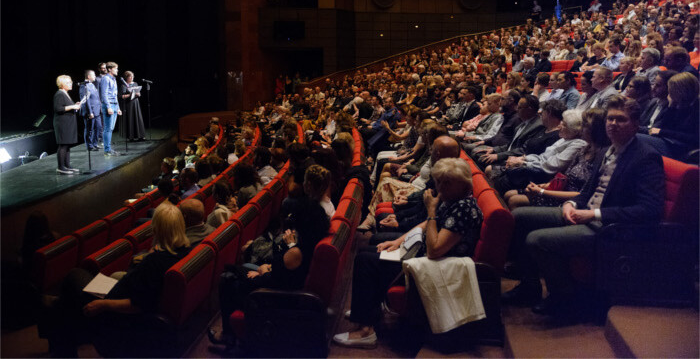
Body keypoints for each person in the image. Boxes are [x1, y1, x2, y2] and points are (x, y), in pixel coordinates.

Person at [501, 95, 665, 317]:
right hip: (584, 213)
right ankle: (529, 287)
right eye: (610, 119)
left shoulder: (646, 157)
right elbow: (587, 192)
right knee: (520, 216)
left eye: (621, 120)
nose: (613, 124)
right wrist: (570, 204)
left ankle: (564, 298)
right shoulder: (606, 150)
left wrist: (594, 214)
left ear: (636, 125)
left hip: (609, 228)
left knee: (536, 239)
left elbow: (649, 209)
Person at [333, 157, 483, 348]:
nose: (437, 187)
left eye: (441, 183)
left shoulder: (464, 208)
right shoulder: (453, 198)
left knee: (366, 262)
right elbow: (427, 224)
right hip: (423, 253)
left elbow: (435, 249)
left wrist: (430, 210)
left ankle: (365, 332)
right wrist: (397, 241)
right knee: (368, 251)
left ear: (456, 184)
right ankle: (367, 310)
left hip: (437, 265)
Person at [41, 203, 191, 357]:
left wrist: (102, 304)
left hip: (116, 312)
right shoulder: (185, 250)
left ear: (156, 229)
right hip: (119, 293)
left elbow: (138, 305)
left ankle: (64, 346)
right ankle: (64, 331)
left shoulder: (154, 262)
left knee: (73, 277)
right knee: (67, 299)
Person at [210, 176, 330, 353]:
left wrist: (264, 272)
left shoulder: (296, 251)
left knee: (227, 280)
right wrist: (270, 266)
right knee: (234, 272)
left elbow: (283, 279)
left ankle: (230, 335)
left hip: (275, 297)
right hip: (278, 283)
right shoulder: (310, 240)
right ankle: (230, 334)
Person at [503, 108, 609, 210]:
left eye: (585, 126)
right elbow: (564, 178)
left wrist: (541, 191)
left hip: (569, 200)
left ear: (594, 131)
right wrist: (543, 186)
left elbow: (582, 194)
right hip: (558, 189)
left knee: (514, 200)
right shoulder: (584, 150)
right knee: (509, 194)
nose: (581, 129)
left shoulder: (598, 155)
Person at [642, 72, 700, 159]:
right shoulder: (678, 104)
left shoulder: (696, 107)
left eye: (671, 90)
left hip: (684, 148)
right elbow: (664, 126)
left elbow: (695, 138)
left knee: (635, 139)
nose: (669, 94)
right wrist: (671, 106)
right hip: (669, 141)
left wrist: (662, 132)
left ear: (681, 91)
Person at [53, 75, 82, 174]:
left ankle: (67, 165)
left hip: (68, 122)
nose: (71, 84)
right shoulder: (59, 94)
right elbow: (58, 109)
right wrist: (73, 106)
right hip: (62, 123)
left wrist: (75, 106)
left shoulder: (65, 93)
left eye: (71, 82)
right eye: (68, 82)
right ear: (62, 84)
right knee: (63, 145)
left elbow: (67, 106)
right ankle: (61, 167)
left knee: (67, 145)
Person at [99, 62, 122, 156]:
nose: (117, 70)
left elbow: (115, 95)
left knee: (111, 128)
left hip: (114, 105)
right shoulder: (105, 79)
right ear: (109, 69)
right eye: (115, 68)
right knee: (107, 129)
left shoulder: (113, 79)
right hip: (109, 105)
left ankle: (108, 149)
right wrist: (108, 107)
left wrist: (118, 107)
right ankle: (107, 150)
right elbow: (104, 94)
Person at [118, 71, 146, 141]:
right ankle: (131, 137)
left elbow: (139, 93)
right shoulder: (124, 85)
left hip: (135, 103)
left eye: (132, 76)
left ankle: (141, 136)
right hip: (128, 104)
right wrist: (130, 95)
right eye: (130, 76)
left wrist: (138, 94)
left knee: (138, 118)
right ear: (126, 77)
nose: (132, 77)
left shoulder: (135, 83)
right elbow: (121, 96)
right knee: (130, 119)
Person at [79, 70, 103, 151]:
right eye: (94, 75)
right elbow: (86, 100)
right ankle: (89, 146)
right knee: (89, 129)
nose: (95, 77)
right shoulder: (83, 86)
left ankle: (95, 143)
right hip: (90, 112)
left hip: (97, 111)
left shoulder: (92, 84)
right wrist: (90, 112)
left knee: (98, 127)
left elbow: (97, 97)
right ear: (88, 76)